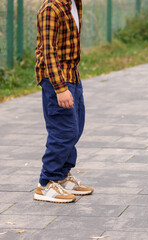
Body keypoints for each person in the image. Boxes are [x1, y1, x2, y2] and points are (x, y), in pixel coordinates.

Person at [34, 0, 93, 203]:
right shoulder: (52, 8)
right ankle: (45, 183)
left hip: (72, 75)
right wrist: (60, 88)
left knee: (76, 128)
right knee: (63, 131)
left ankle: (61, 176)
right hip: (56, 78)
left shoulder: (74, 4)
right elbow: (48, 52)